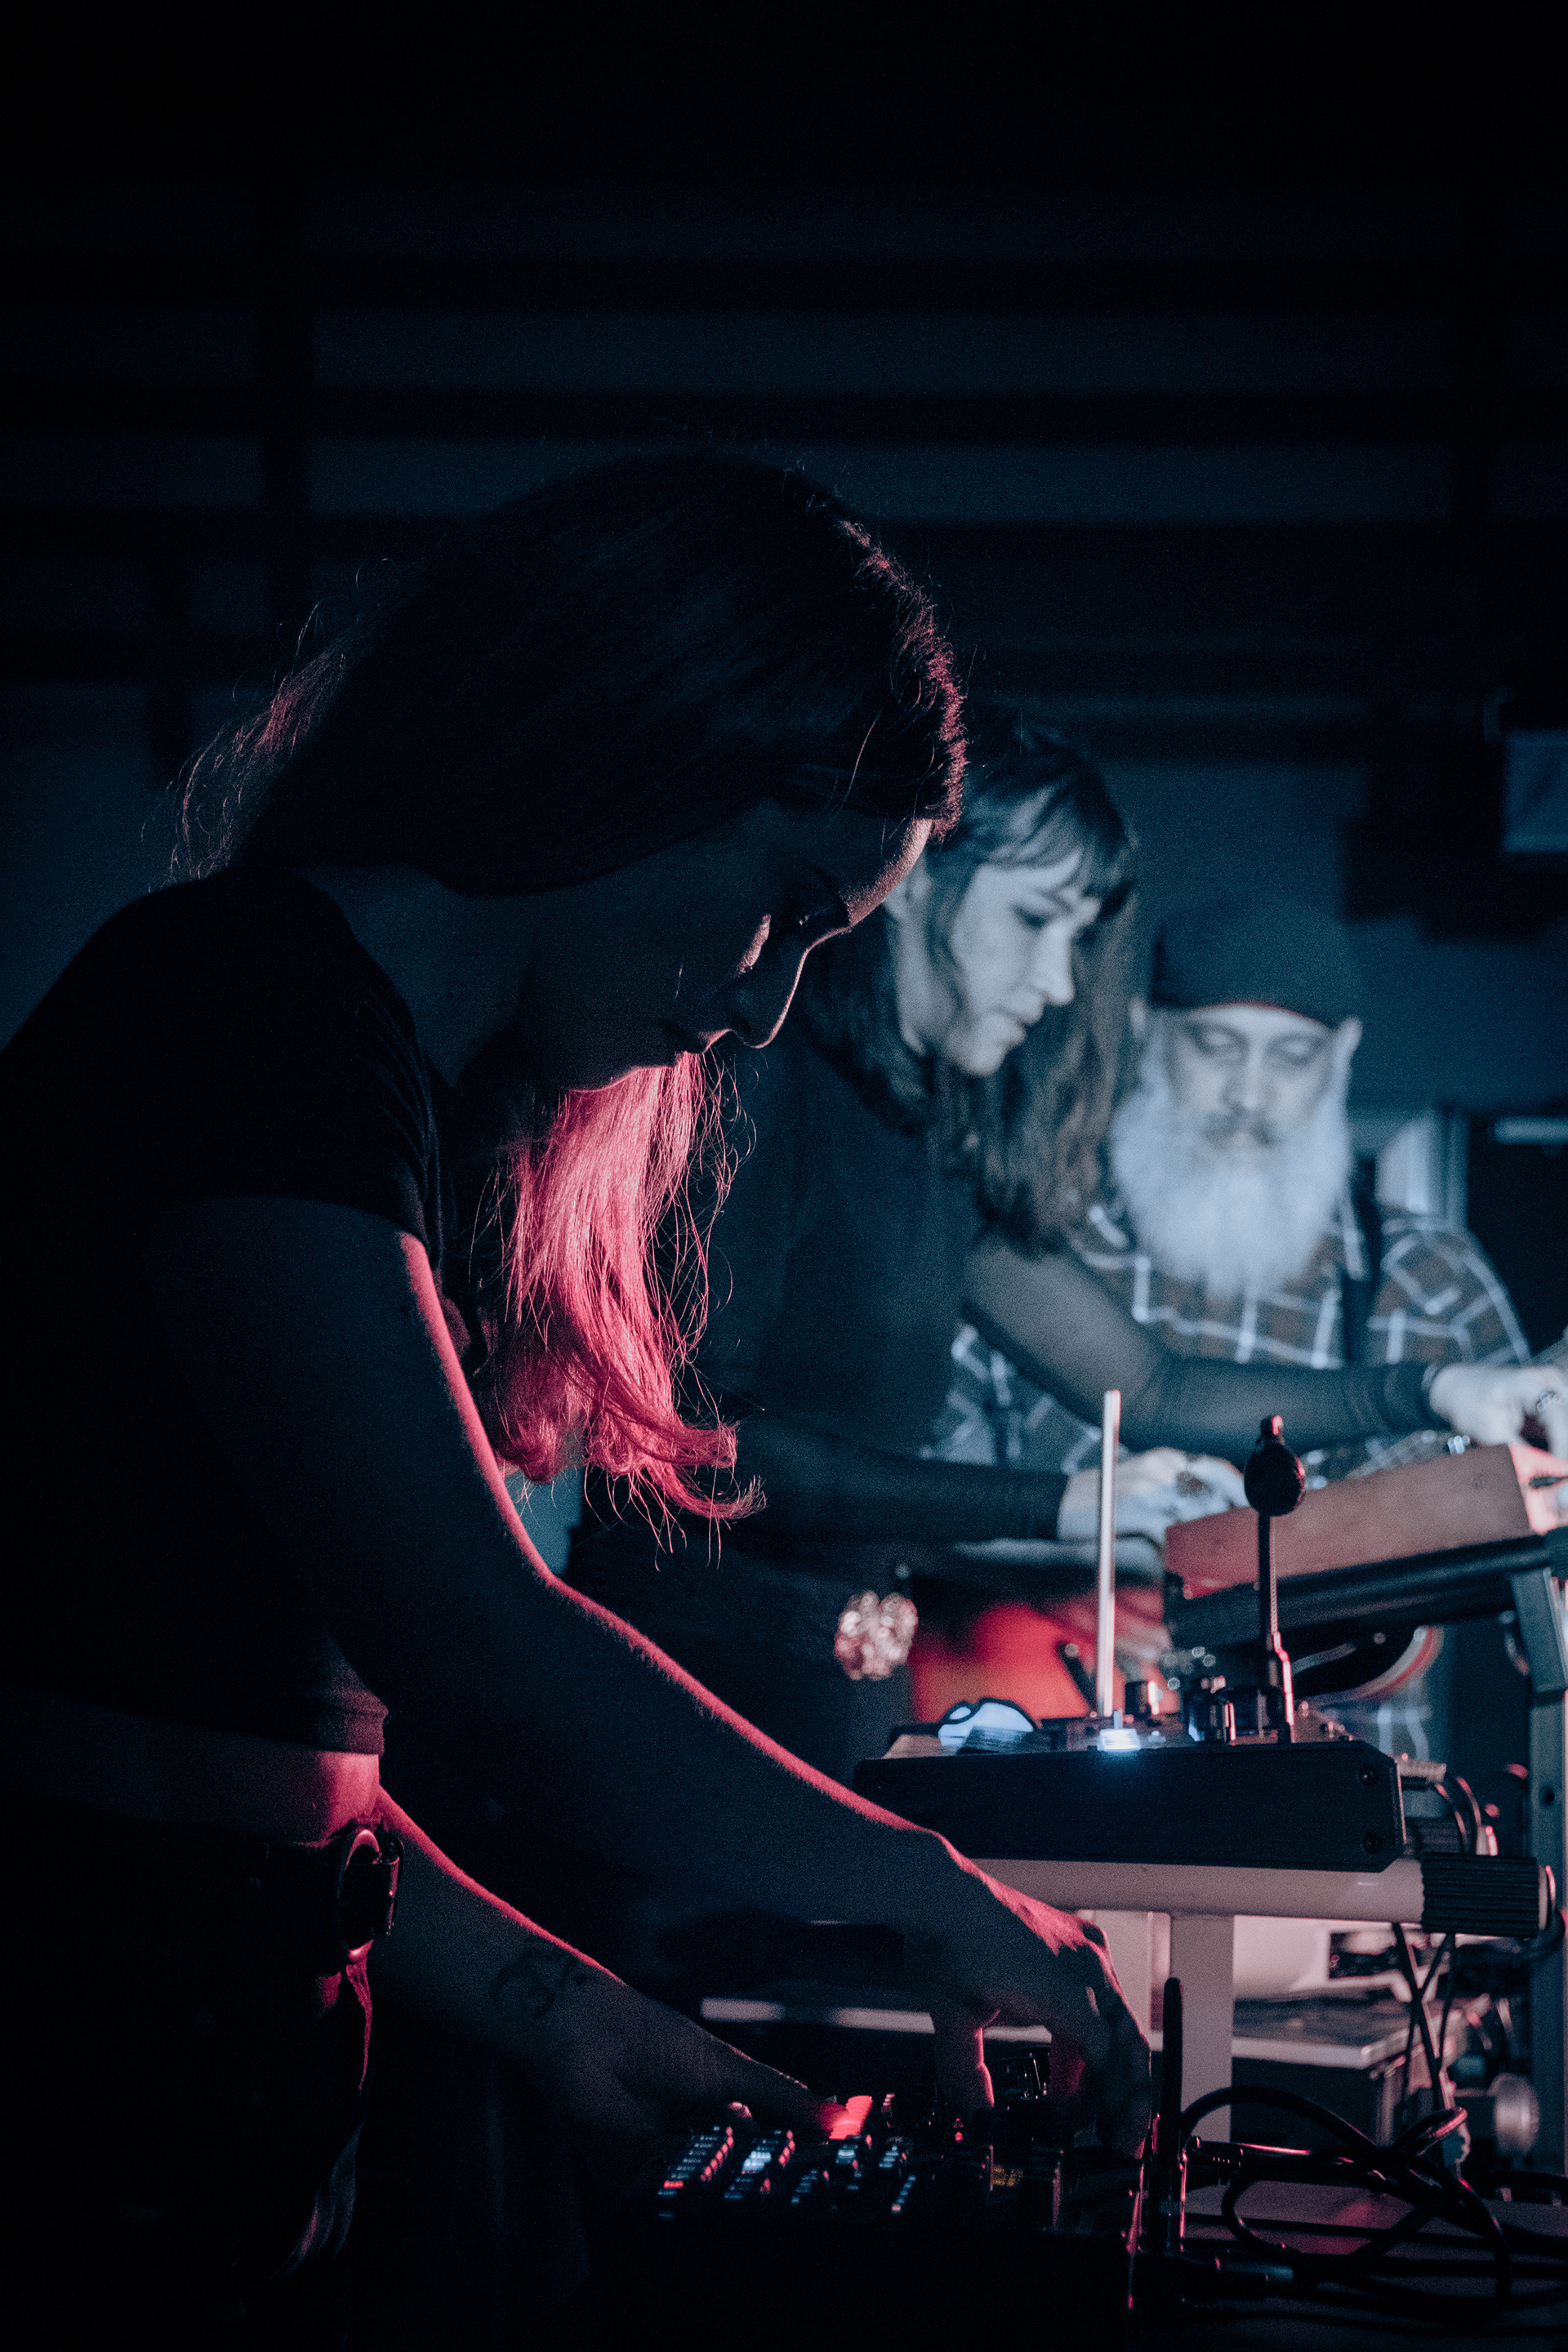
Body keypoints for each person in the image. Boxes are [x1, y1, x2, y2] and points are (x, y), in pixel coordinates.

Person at [0, 458, 1150, 2347]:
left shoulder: (394, 1089)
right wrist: (935, 1889)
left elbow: (244, 1754)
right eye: (787, 907)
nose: (769, 1008)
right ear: (637, 755)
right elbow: (477, 1645)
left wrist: (560, 2010)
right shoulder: (246, 1012)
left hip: (210, 2087)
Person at [567, 716, 1568, 1792]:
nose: (1055, 982)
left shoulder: (939, 1142)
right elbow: (700, 1443)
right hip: (682, 1683)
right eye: (1035, 920)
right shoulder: (762, 1077)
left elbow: (1153, 1384)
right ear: (913, 874)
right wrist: (1062, 1506)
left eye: (1077, 937)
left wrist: (1440, 1388)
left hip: (845, 1685)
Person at [925, 893, 1546, 1722]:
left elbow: (1531, 1551)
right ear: (1147, 1028)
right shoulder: (1033, 1239)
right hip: (1044, 1735)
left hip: (1341, 1760)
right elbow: (907, 1496)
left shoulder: (1433, 1278)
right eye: (1216, 1047)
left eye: (1292, 1056)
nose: (1250, 1095)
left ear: (1344, 1052)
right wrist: (1064, 1562)